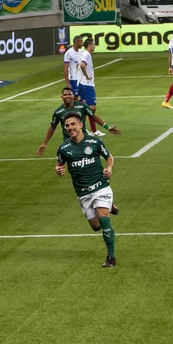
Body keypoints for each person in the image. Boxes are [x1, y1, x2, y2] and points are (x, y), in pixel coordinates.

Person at [56, 112, 117, 267]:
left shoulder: (95, 142)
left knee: (104, 219)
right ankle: (110, 205)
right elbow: (60, 164)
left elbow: (109, 157)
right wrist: (59, 170)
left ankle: (111, 257)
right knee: (96, 227)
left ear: (81, 125)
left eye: (73, 124)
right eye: (67, 125)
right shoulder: (63, 148)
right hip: (83, 193)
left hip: (100, 187)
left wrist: (109, 168)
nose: (70, 128)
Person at [35, 87, 121, 156]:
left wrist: (108, 127)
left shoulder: (82, 106)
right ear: (62, 97)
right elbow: (53, 126)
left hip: (83, 137)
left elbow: (93, 116)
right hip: (68, 141)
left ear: (73, 96)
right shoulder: (58, 112)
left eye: (69, 94)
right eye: (65, 95)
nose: (67, 96)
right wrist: (44, 143)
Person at [78, 38, 104, 136]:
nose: (95, 45)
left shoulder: (86, 54)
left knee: (85, 106)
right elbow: (81, 65)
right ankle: (92, 130)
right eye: (93, 44)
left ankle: (85, 129)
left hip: (85, 84)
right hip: (86, 85)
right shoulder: (86, 54)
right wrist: (87, 75)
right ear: (89, 45)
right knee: (92, 108)